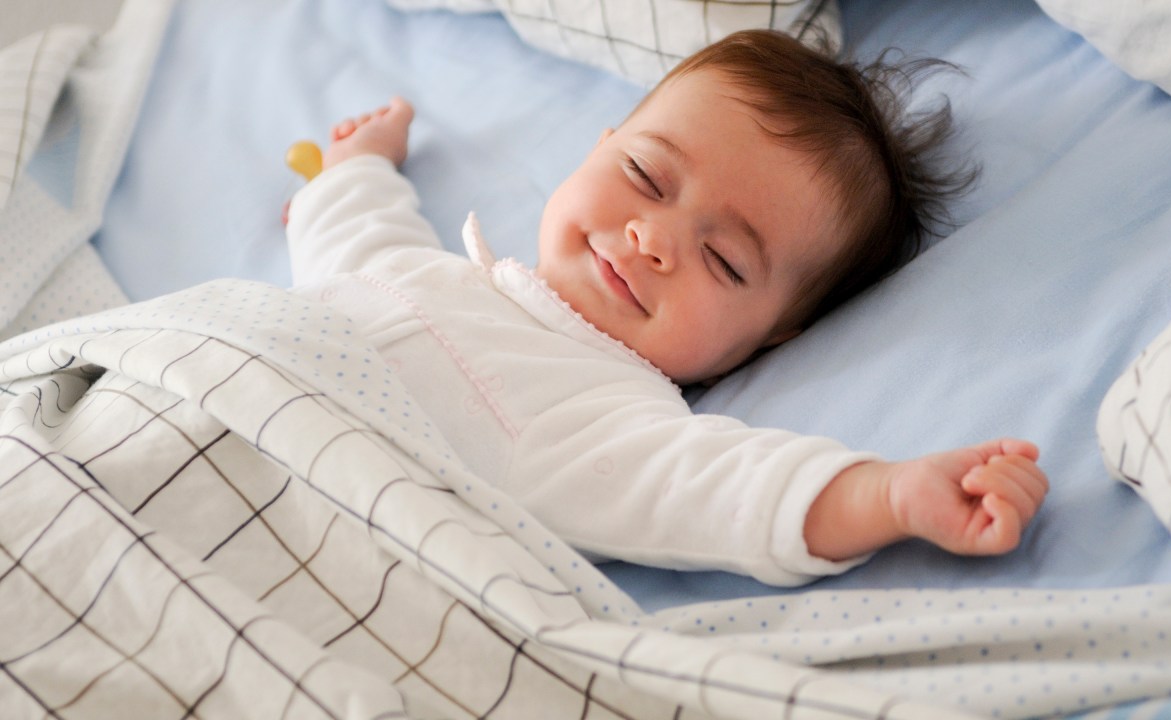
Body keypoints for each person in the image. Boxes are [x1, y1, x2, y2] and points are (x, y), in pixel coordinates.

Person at [285, 30, 1048, 586]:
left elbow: (722, 491)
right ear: (600, 145)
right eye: (646, 175)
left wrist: (890, 495)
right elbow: (358, 234)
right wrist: (357, 167)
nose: (652, 239)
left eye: (723, 260)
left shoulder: (602, 416)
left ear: (775, 336)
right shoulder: (419, 272)